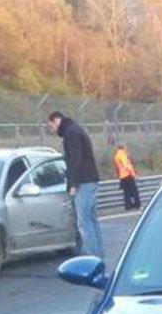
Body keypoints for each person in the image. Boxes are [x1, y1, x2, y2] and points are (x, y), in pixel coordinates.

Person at [49, 110, 103, 258]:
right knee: (91, 219)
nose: (51, 129)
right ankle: (98, 254)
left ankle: (92, 256)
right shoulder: (75, 129)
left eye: (51, 125)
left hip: (83, 182)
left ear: (57, 121)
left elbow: (76, 160)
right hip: (90, 179)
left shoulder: (71, 133)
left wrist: (72, 184)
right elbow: (74, 157)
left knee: (83, 221)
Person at [113, 143, 140, 210]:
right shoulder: (122, 155)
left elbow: (117, 167)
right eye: (125, 148)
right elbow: (126, 165)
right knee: (134, 191)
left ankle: (128, 206)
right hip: (128, 175)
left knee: (126, 192)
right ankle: (137, 204)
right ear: (123, 148)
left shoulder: (116, 156)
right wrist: (133, 173)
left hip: (122, 176)